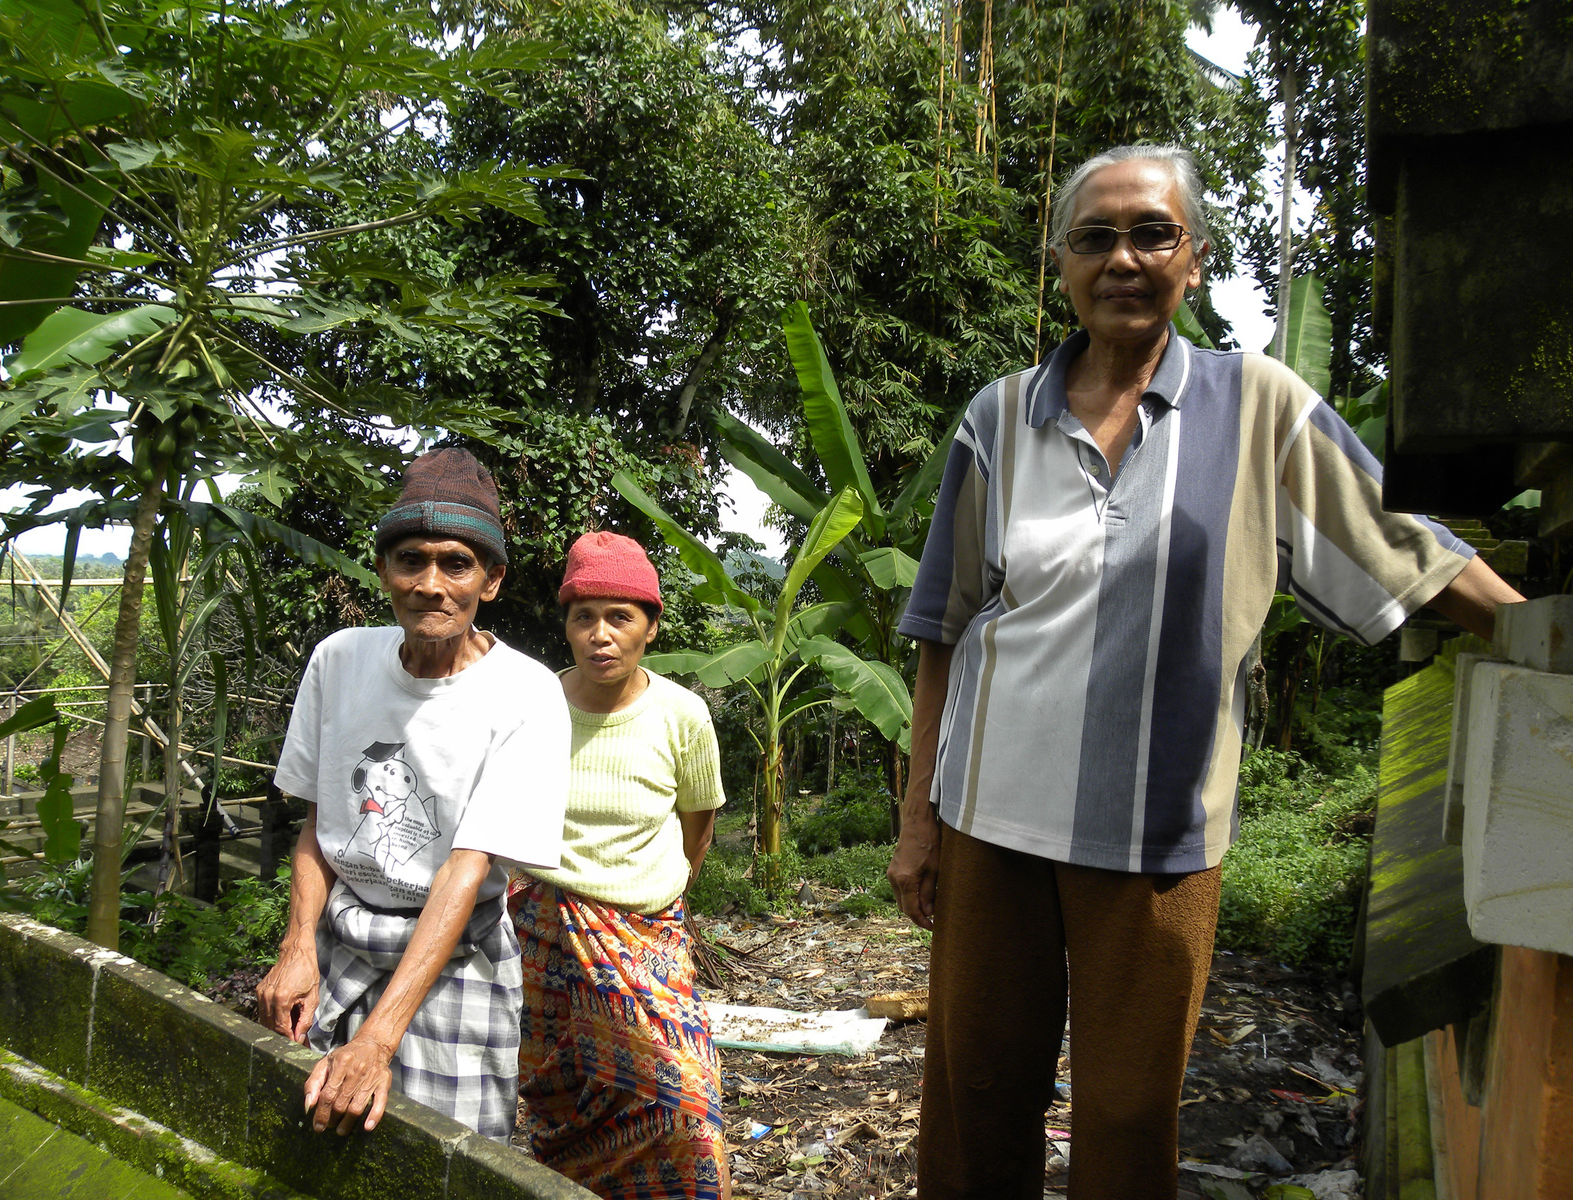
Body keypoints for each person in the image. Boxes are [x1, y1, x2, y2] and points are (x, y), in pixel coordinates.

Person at [886, 144, 1523, 1200]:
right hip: (987, 819)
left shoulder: (1257, 406)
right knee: (973, 1099)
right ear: (1060, 264)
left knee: (1129, 1120)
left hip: (1157, 842)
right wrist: (918, 822)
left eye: (1152, 233)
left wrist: (1534, 629)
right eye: (1096, 237)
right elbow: (943, 628)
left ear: (1194, 259)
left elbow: (1405, 547)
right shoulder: (1000, 416)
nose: (1124, 258)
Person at [256, 447, 570, 1143]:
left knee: (447, 1155)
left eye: (456, 564)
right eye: (411, 561)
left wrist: (376, 1039)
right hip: (345, 936)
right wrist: (298, 946)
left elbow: (468, 866)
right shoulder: (338, 660)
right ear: (384, 572)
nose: (431, 584)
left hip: (457, 952)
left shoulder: (526, 692)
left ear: (491, 581)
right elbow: (317, 824)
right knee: (314, 1136)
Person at [509, 530, 729, 1199]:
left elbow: (698, 823)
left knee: (686, 1109)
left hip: (647, 935)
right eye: (584, 617)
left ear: (650, 627)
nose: (600, 634)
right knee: (564, 1107)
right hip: (547, 934)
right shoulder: (534, 704)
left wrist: (661, 894)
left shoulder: (681, 715)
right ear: (568, 626)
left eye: (620, 617)